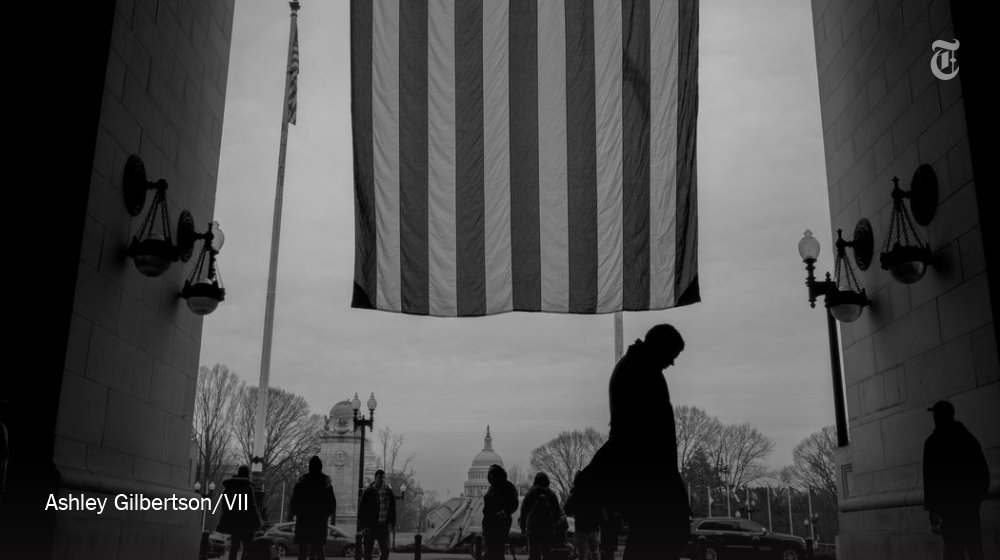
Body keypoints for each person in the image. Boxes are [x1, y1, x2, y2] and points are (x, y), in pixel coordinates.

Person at [570, 324, 691, 559]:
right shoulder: (642, 372)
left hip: (648, 477)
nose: (672, 363)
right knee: (665, 533)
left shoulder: (634, 367)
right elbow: (630, 434)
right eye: (672, 355)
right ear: (660, 346)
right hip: (651, 478)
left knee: (656, 536)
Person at [923, 400, 990, 560]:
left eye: (935, 415)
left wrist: (933, 512)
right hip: (969, 510)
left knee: (954, 553)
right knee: (975, 552)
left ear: (938, 417)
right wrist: (975, 501)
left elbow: (930, 481)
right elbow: (983, 475)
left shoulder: (933, 443)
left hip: (949, 513)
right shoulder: (968, 439)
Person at [289, 456, 338, 560]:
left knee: (302, 552)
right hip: (319, 523)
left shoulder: (301, 482)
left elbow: (294, 503)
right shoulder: (326, 483)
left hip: (304, 522)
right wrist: (324, 515)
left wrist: (300, 515)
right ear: (320, 467)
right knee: (319, 551)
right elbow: (332, 504)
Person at [216, 465, 261, 560]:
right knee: (247, 547)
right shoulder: (247, 487)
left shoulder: (229, 487)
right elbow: (252, 506)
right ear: (247, 474)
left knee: (234, 546)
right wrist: (258, 520)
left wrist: (229, 515)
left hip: (234, 522)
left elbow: (225, 505)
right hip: (246, 522)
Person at [518, 472, 563, 560]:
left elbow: (524, 510)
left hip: (533, 528)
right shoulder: (551, 494)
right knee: (547, 554)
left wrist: (523, 526)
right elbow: (557, 512)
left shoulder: (531, 493)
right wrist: (555, 524)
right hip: (548, 528)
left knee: (534, 554)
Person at [482, 464, 519, 560]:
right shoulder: (492, 488)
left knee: (497, 549)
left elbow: (514, 503)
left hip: (501, 522)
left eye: (493, 474)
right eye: (490, 475)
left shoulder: (507, 486)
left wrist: (505, 511)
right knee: (491, 549)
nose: (491, 477)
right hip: (489, 523)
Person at [358, 469, 396, 560]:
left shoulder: (388, 491)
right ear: (375, 478)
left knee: (385, 551)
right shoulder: (368, 491)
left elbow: (392, 509)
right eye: (380, 477)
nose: (382, 479)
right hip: (370, 527)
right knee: (368, 552)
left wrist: (392, 523)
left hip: (383, 526)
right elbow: (361, 510)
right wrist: (363, 526)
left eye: (384, 477)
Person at [564, 472, 601, 560]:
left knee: (582, 555)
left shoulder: (575, 493)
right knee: (595, 553)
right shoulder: (595, 491)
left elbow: (568, 510)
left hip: (581, 528)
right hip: (594, 527)